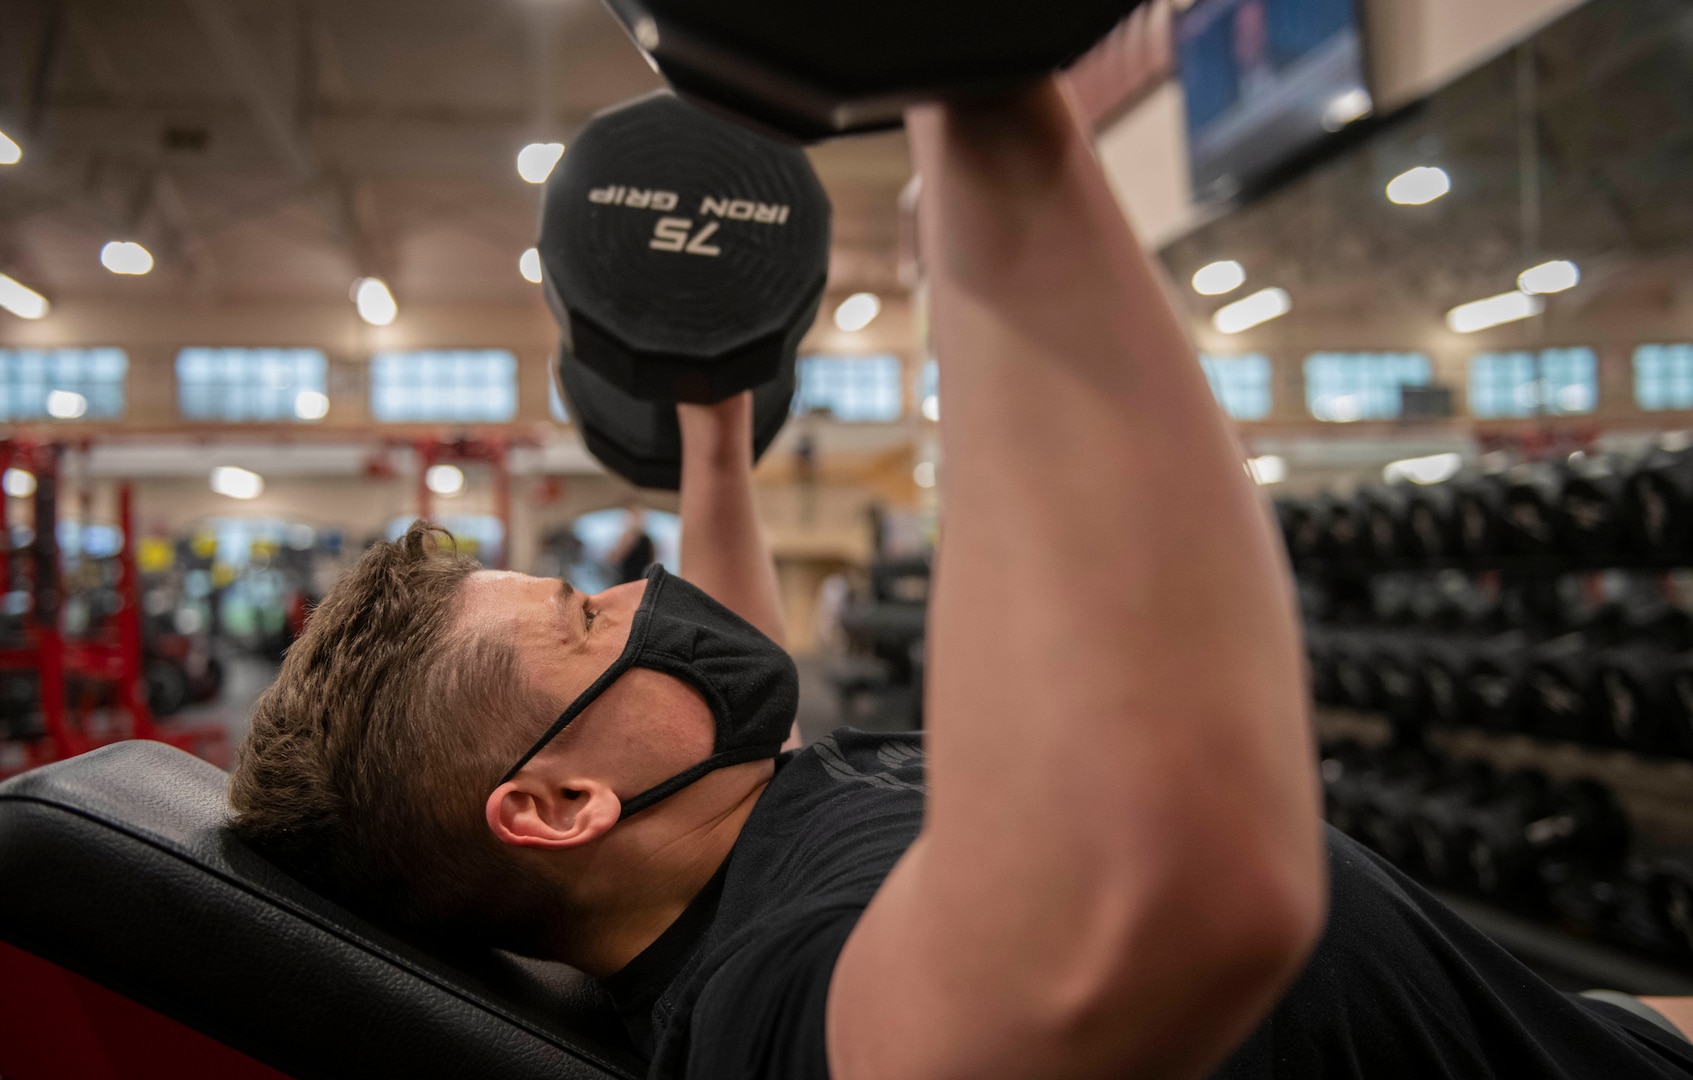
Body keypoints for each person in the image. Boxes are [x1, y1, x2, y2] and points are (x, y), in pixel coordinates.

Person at [228, 79, 1693, 1079]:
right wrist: (985, 113)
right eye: (588, 617)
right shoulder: (788, 1001)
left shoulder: (745, 839)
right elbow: (1195, 894)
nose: (646, 599)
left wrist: (714, 424)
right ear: (556, 805)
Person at [608, 501, 656, 585]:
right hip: (639, 582)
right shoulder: (648, 539)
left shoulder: (629, 536)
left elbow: (614, 558)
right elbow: (652, 561)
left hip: (626, 582)